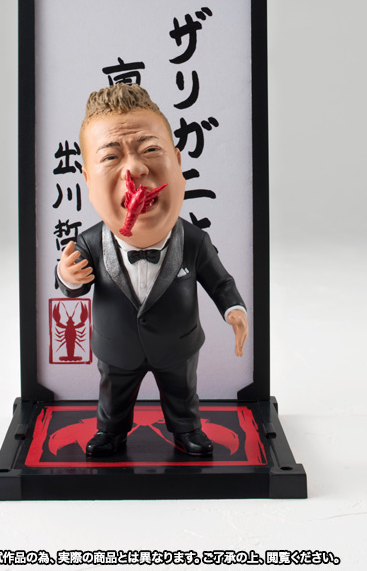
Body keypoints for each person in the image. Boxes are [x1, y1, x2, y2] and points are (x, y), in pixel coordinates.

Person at [56, 83, 248, 456]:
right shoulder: (90, 243)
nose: (135, 169)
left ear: (177, 163)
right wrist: (68, 276)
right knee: (113, 394)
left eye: (150, 150)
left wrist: (234, 309)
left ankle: (187, 430)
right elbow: (72, 286)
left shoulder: (193, 240)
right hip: (117, 346)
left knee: (182, 391)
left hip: (177, 344)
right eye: (111, 157)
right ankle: (110, 432)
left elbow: (219, 281)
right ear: (88, 180)